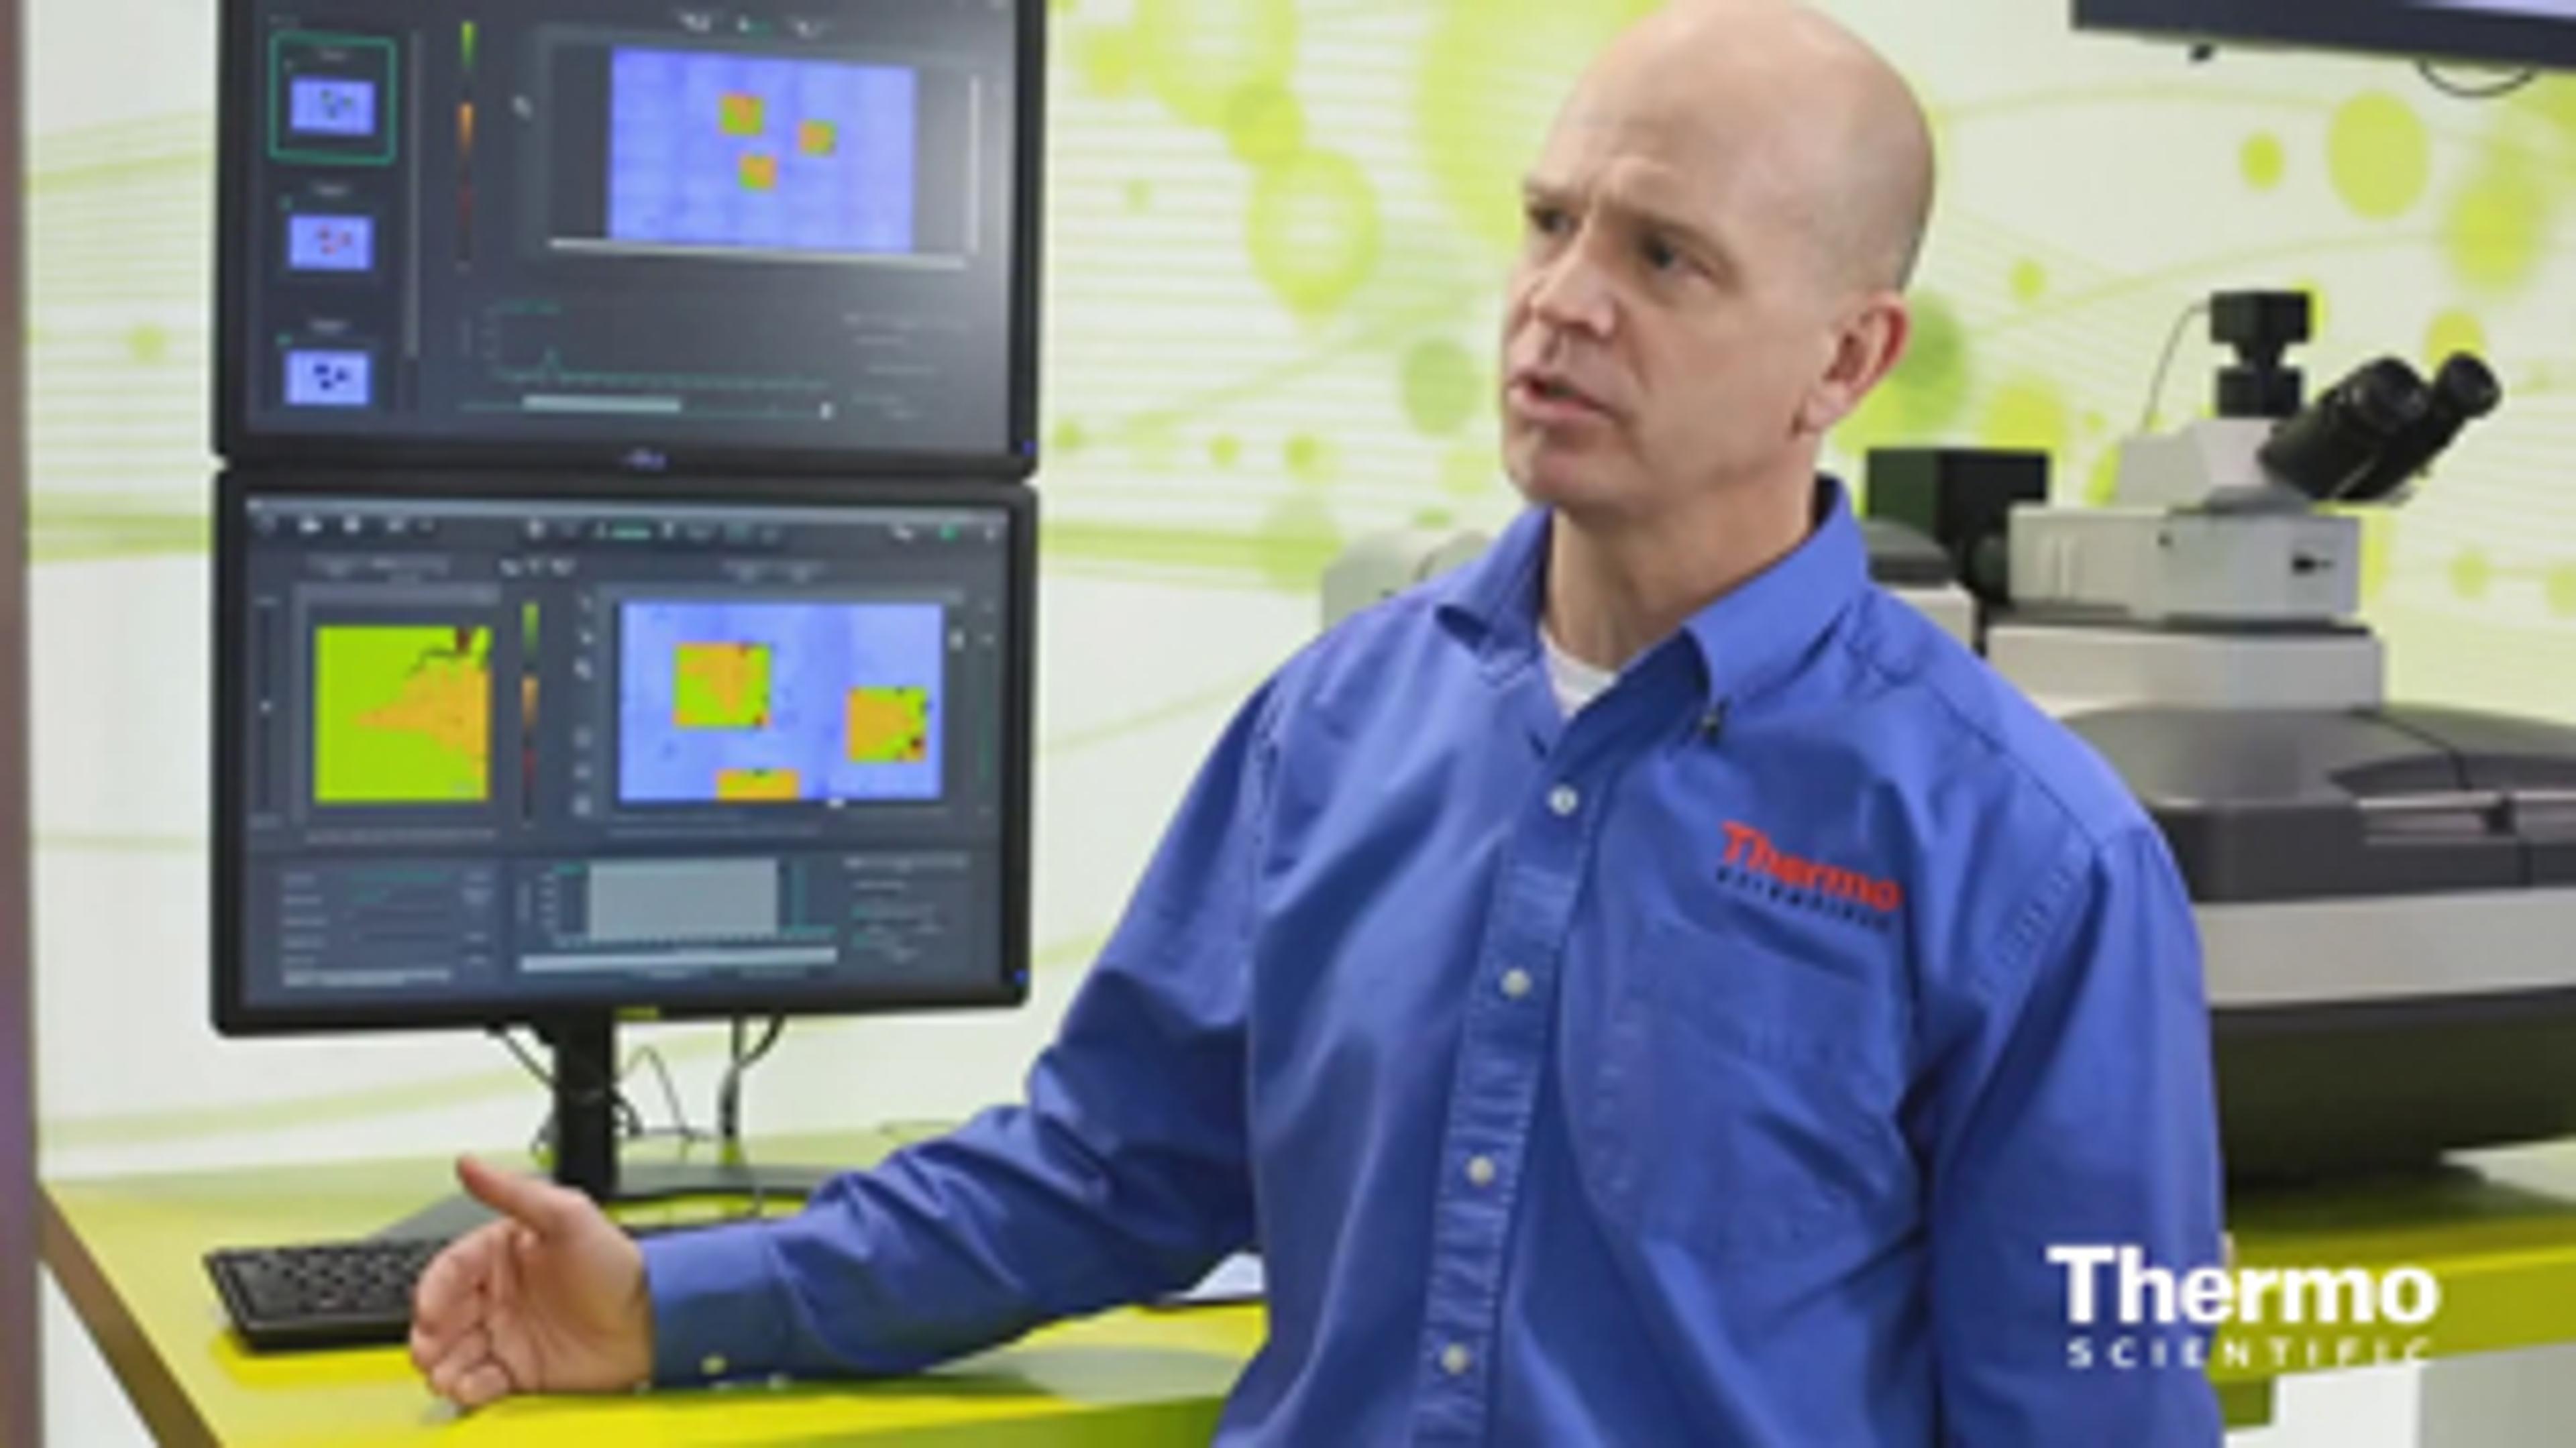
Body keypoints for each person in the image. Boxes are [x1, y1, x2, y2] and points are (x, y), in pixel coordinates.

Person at [410, 0, 2227, 1440]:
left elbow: (2095, 1416)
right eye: (1550, 222)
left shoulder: (2032, 860)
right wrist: (670, 1302)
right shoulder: (1339, 723)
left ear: (1846, 359)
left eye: (1666, 257)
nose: (1561, 302)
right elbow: (1108, 1170)